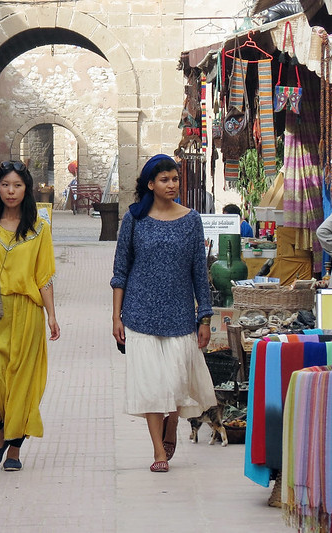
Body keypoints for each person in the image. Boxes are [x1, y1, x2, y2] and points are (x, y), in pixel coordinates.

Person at [110, 154, 217, 473]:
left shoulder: (191, 219)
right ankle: (158, 450)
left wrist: (205, 317)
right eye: (165, 180)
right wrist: (116, 317)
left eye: (175, 179)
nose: (172, 184)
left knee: (175, 382)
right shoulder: (134, 219)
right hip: (140, 314)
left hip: (180, 315)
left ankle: (172, 426)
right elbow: (120, 270)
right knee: (151, 386)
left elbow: (200, 271)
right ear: (150, 184)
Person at [0, 159, 60, 471]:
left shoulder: (39, 229)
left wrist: (52, 316)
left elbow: (44, 276)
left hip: (27, 312)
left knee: (22, 382)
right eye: (6, 185)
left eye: (17, 185)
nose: (11, 191)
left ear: (26, 189)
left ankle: (14, 452)